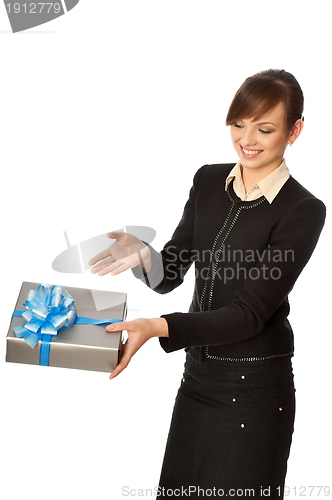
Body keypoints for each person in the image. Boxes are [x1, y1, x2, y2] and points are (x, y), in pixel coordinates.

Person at [89, 69, 326, 499]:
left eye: (265, 128)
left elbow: (249, 315)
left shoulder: (303, 210)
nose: (246, 139)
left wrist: (157, 326)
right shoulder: (207, 181)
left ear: (295, 131)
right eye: (238, 124)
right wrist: (146, 257)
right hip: (197, 380)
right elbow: (172, 272)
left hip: (254, 391)